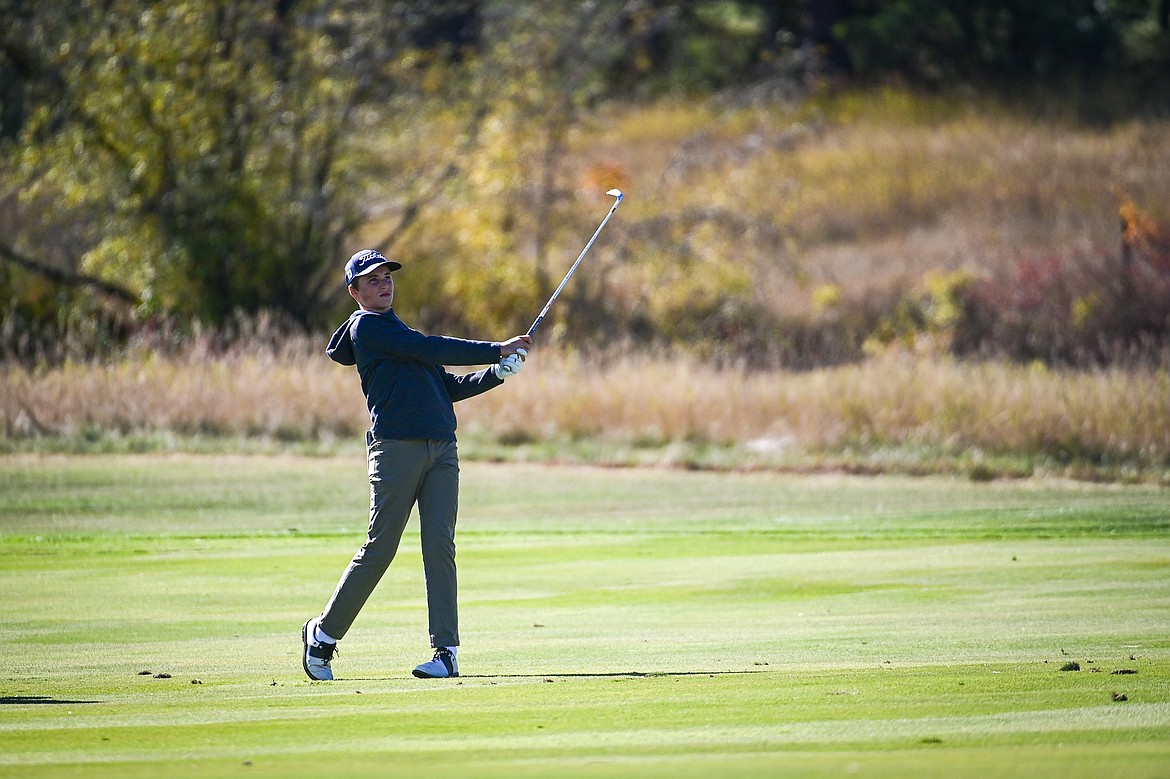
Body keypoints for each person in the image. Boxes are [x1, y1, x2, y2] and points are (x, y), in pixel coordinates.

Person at [302, 248, 532, 681]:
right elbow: (429, 348)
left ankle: (445, 652)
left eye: (387, 276)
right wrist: (495, 347)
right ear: (355, 292)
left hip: (442, 448)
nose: (384, 284)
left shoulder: (401, 332)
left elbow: (447, 387)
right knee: (381, 548)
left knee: (440, 547)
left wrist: (498, 372)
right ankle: (323, 636)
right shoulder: (367, 328)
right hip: (396, 451)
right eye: (373, 280)